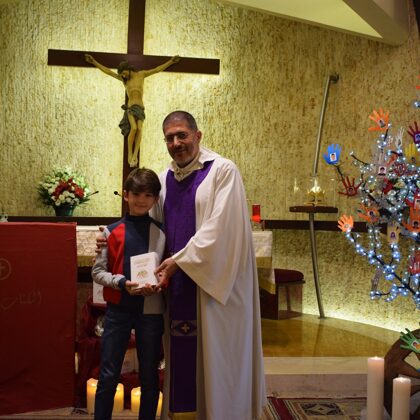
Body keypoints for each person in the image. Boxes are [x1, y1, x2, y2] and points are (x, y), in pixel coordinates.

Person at [151, 111, 267, 419]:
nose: (176, 143)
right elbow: (149, 226)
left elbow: (221, 229)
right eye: (170, 138)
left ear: (198, 135)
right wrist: (113, 238)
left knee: (219, 358)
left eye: (182, 135)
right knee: (182, 357)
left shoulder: (223, 171)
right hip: (178, 288)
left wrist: (179, 261)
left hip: (215, 289)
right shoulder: (163, 179)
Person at [91, 168, 167, 420]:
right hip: (118, 311)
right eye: (135, 194)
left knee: (149, 375)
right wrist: (122, 283)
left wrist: (159, 284)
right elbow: (97, 272)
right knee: (108, 373)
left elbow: (167, 270)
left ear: (155, 199)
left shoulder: (163, 233)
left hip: (151, 311)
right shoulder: (110, 232)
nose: (141, 200)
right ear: (125, 195)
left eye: (148, 195)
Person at [85, 54, 180, 167]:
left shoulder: (141, 75)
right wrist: (94, 62)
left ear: (128, 69)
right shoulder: (124, 80)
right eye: (121, 74)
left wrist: (171, 61)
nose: (123, 75)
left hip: (140, 107)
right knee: (133, 128)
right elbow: (109, 72)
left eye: (123, 73)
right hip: (130, 107)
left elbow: (157, 70)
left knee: (139, 129)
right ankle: (130, 154)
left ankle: (135, 155)